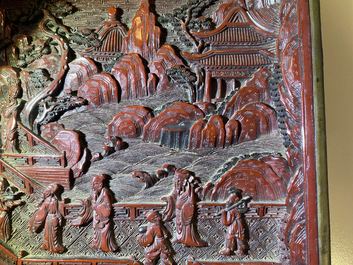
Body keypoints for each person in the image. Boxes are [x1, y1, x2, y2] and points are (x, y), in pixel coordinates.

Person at [72, 174, 118, 252]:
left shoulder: (105, 192)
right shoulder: (96, 193)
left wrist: (96, 206)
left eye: (95, 184)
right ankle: (98, 247)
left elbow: (107, 207)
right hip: (98, 218)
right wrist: (91, 200)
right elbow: (91, 202)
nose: (93, 186)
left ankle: (106, 248)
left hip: (103, 219)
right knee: (97, 234)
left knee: (104, 234)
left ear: (100, 184)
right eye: (92, 184)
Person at [163, 168, 207, 247]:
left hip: (184, 212)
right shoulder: (178, 189)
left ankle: (187, 240)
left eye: (178, 180)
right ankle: (179, 237)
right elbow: (173, 196)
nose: (177, 182)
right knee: (178, 226)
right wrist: (168, 199)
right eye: (176, 180)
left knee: (186, 227)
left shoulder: (188, 191)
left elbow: (190, 202)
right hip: (178, 212)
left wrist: (184, 209)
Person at [29, 183, 65, 253]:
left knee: (51, 234)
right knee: (51, 234)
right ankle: (48, 246)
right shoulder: (52, 200)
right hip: (53, 219)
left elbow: (41, 215)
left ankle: (52, 247)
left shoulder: (50, 200)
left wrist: (36, 225)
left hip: (51, 219)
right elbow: (55, 211)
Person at [219, 188, 249, 256]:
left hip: (234, 226)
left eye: (230, 199)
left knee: (230, 236)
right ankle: (240, 250)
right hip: (239, 224)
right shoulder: (236, 209)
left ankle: (229, 249)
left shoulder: (232, 210)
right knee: (239, 237)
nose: (228, 201)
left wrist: (223, 213)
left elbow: (227, 222)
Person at [0, 177, 23, 242]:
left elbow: (6, 202)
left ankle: (4, 237)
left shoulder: (5, 193)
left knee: (4, 227)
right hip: (2, 214)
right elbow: (4, 205)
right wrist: (14, 203)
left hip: (3, 214)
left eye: (1, 186)